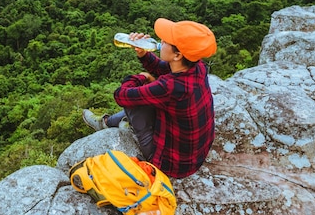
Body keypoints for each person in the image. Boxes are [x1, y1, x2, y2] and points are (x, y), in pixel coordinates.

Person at [82, 18, 217, 179]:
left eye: (166, 41)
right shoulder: (197, 67)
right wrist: (143, 54)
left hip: (170, 164)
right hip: (193, 157)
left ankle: (112, 124)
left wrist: (140, 77)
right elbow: (162, 68)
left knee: (135, 100)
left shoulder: (169, 87)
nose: (160, 41)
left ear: (178, 55)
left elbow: (121, 96)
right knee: (148, 95)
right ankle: (107, 122)